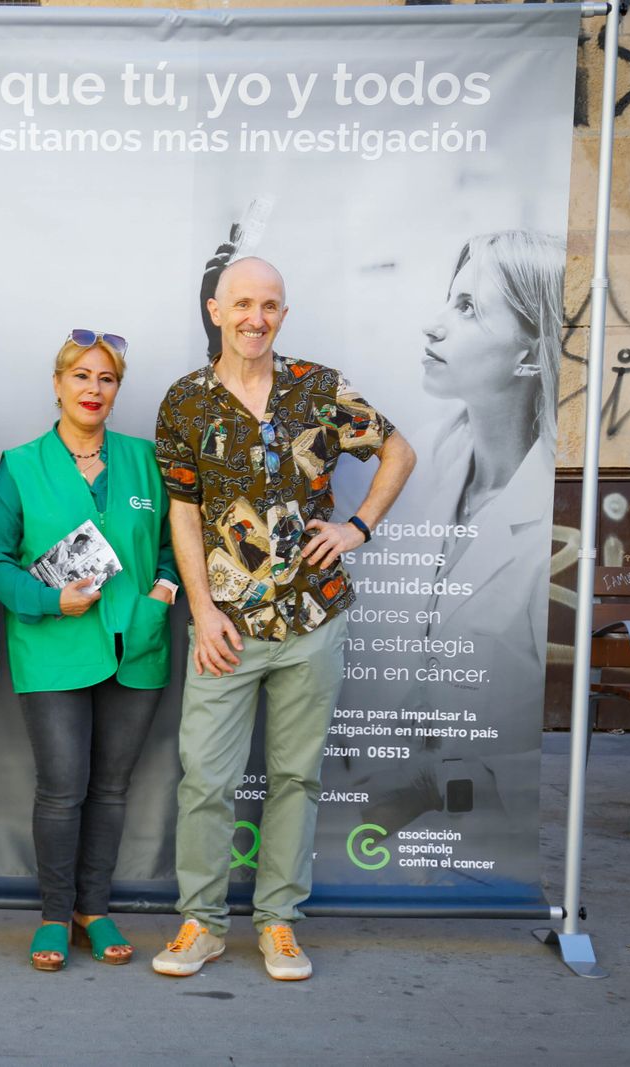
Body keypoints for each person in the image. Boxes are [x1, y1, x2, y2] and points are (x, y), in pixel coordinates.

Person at [153, 257, 415, 981]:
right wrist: (202, 610)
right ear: (215, 310)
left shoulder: (320, 389)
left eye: (269, 305)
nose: (254, 317)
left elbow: (398, 448)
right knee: (205, 777)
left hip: (312, 618)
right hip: (226, 627)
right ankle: (200, 925)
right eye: (241, 304)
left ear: (283, 315)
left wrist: (358, 525)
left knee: (296, 776)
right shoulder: (185, 402)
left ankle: (279, 925)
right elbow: (183, 510)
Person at [347, 231, 565, 836]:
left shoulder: (558, 522)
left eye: (468, 308)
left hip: (491, 843)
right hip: (379, 828)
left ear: (532, 350)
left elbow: (558, 741)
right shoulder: (427, 463)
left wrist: (431, 782)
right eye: (450, 299)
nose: (433, 326)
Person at [0, 330, 179, 972]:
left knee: (112, 790)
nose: (93, 389)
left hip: (137, 647)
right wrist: (47, 601)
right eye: (81, 376)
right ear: (58, 383)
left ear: (117, 391)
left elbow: (178, 542)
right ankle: (54, 914)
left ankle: (95, 908)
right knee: (63, 790)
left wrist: (164, 592)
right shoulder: (20, 464)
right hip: (53, 646)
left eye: (106, 379)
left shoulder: (146, 461)